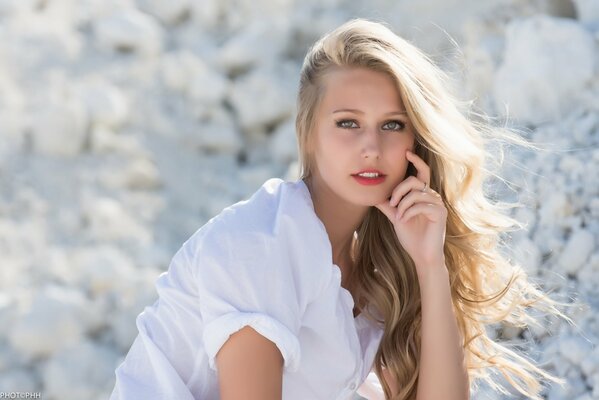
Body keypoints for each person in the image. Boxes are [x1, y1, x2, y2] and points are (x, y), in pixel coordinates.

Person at [110, 18, 571, 400]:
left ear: (417, 144)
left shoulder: (375, 267)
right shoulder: (259, 245)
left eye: (392, 124)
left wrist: (430, 266)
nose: (371, 147)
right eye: (347, 123)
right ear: (309, 135)